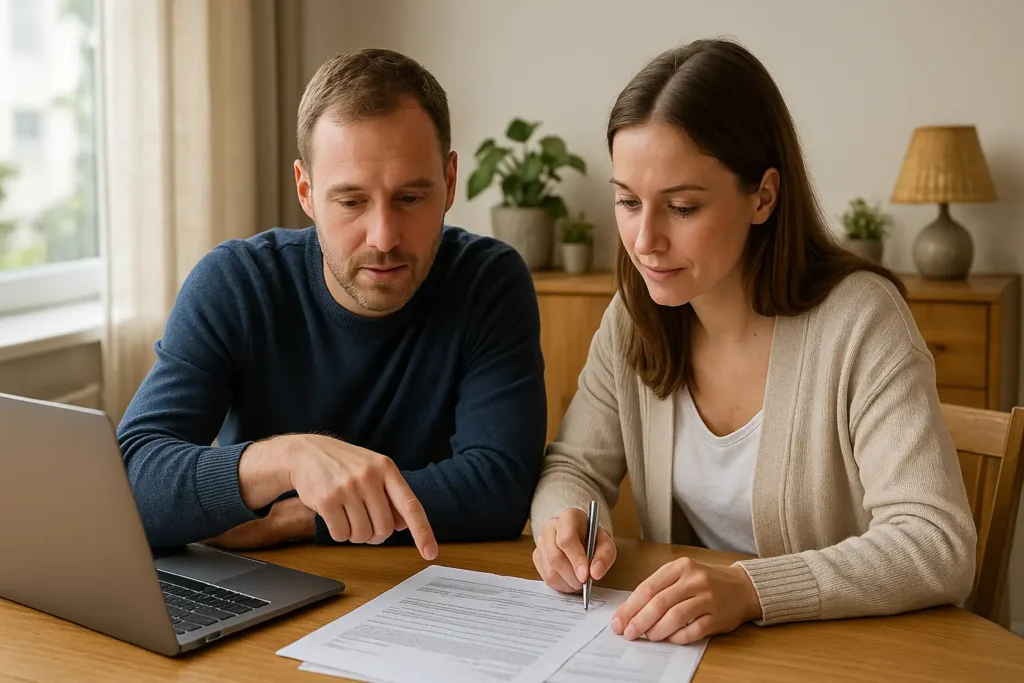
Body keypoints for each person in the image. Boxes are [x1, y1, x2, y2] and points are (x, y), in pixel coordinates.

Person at [529, 38, 976, 646]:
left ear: (763, 196)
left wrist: (751, 589)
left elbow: (936, 542)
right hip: (692, 655)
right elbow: (574, 465)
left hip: (837, 655)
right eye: (628, 202)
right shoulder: (634, 316)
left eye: (682, 207)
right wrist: (565, 524)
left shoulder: (860, 319)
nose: (645, 240)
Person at [118, 48, 548, 559]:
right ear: (306, 190)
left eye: (411, 198)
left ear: (450, 182)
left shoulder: (488, 281)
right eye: (351, 202)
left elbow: (499, 487)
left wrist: (304, 516)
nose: (384, 237)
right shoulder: (236, 282)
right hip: (271, 593)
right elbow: (130, 480)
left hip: (424, 588)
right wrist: (285, 458)